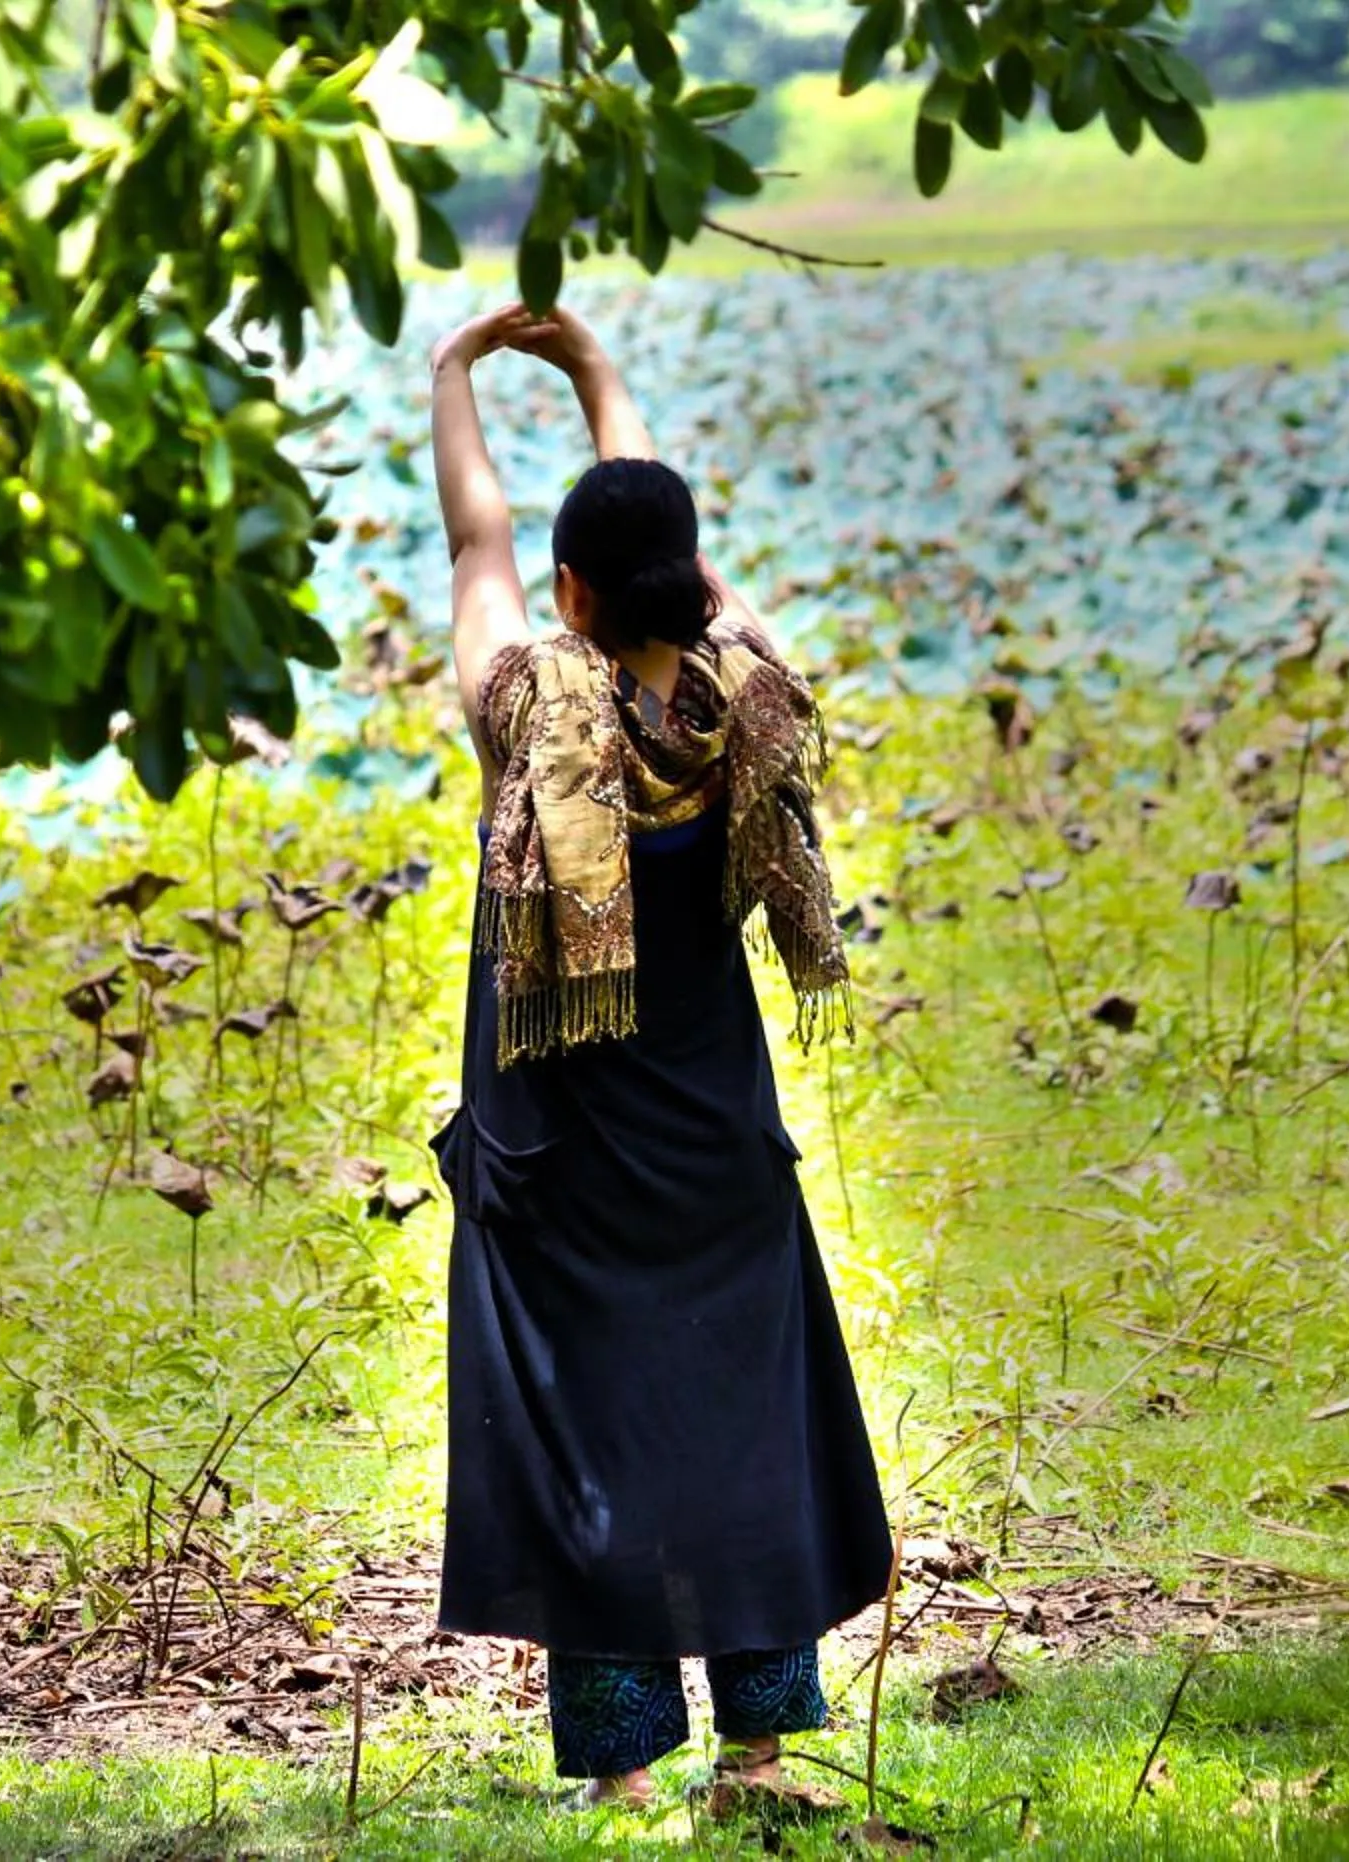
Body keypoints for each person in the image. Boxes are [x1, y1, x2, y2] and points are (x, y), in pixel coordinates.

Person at [424, 300, 894, 1819]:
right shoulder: (740, 691)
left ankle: (628, 1771)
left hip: (565, 1168)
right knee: (739, 1423)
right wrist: (604, 374)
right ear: (691, 580)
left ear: (570, 594)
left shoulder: (525, 707)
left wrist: (456, 379)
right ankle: (757, 1752)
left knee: (587, 1432)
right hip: (716, 1151)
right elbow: (650, 546)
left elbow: (473, 552)